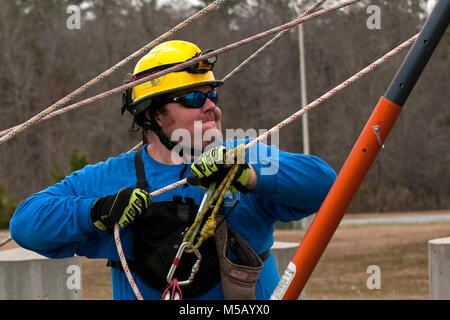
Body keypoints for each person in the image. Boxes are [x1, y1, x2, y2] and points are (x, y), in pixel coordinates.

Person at [10, 40, 337, 300]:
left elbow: (327, 186)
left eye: (212, 95)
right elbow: (26, 224)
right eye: (194, 98)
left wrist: (247, 175)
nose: (211, 106)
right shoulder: (113, 179)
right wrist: (96, 213)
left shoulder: (240, 160)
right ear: (153, 115)